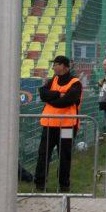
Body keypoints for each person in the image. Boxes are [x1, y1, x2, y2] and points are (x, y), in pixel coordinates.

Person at [33, 56, 81, 194]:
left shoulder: (75, 82)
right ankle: (40, 184)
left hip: (66, 126)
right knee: (43, 154)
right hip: (49, 125)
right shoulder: (52, 79)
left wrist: (51, 99)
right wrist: (58, 94)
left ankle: (64, 185)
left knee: (64, 155)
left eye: (56, 64)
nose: (53, 67)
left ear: (65, 66)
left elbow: (67, 101)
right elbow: (42, 93)